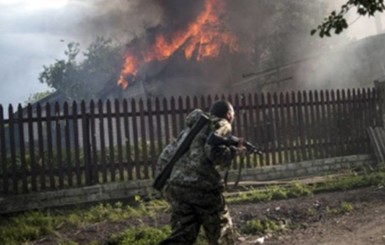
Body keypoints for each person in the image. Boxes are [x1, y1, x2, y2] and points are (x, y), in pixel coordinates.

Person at [158, 100, 245, 245]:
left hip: (177, 186)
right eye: (233, 114)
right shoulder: (222, 124)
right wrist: (234, 152)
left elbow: (168, 153)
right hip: (202, 188)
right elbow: (214, 154)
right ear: (229, 114)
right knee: (222, 233)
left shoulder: (192, 127)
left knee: (183, 235)